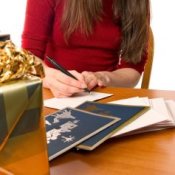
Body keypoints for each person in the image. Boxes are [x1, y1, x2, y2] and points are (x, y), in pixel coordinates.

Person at [22, 0, 150, 97]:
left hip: (105, 95)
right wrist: (49, 78)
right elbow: (28, 58)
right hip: (53, 95)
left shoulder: (137, 3)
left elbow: (133, 68)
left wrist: (104, 77)